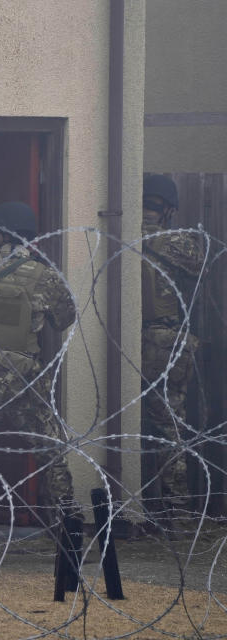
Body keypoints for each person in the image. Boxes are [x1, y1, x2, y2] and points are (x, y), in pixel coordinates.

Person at [0, 201, 77, 566]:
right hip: (23, 371)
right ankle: (68, 535)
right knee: (51, 450)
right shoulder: (43, 274)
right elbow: (63, 318)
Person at [140, 174, 204, 529]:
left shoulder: (172, 242)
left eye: (153, 205)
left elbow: (195, 261)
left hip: (161, 339)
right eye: (146, 204)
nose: (149, 212)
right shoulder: (146, 236)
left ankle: (176, 511)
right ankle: (169, 510)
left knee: (167, 426)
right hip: (143, 338)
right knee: (161, 426)